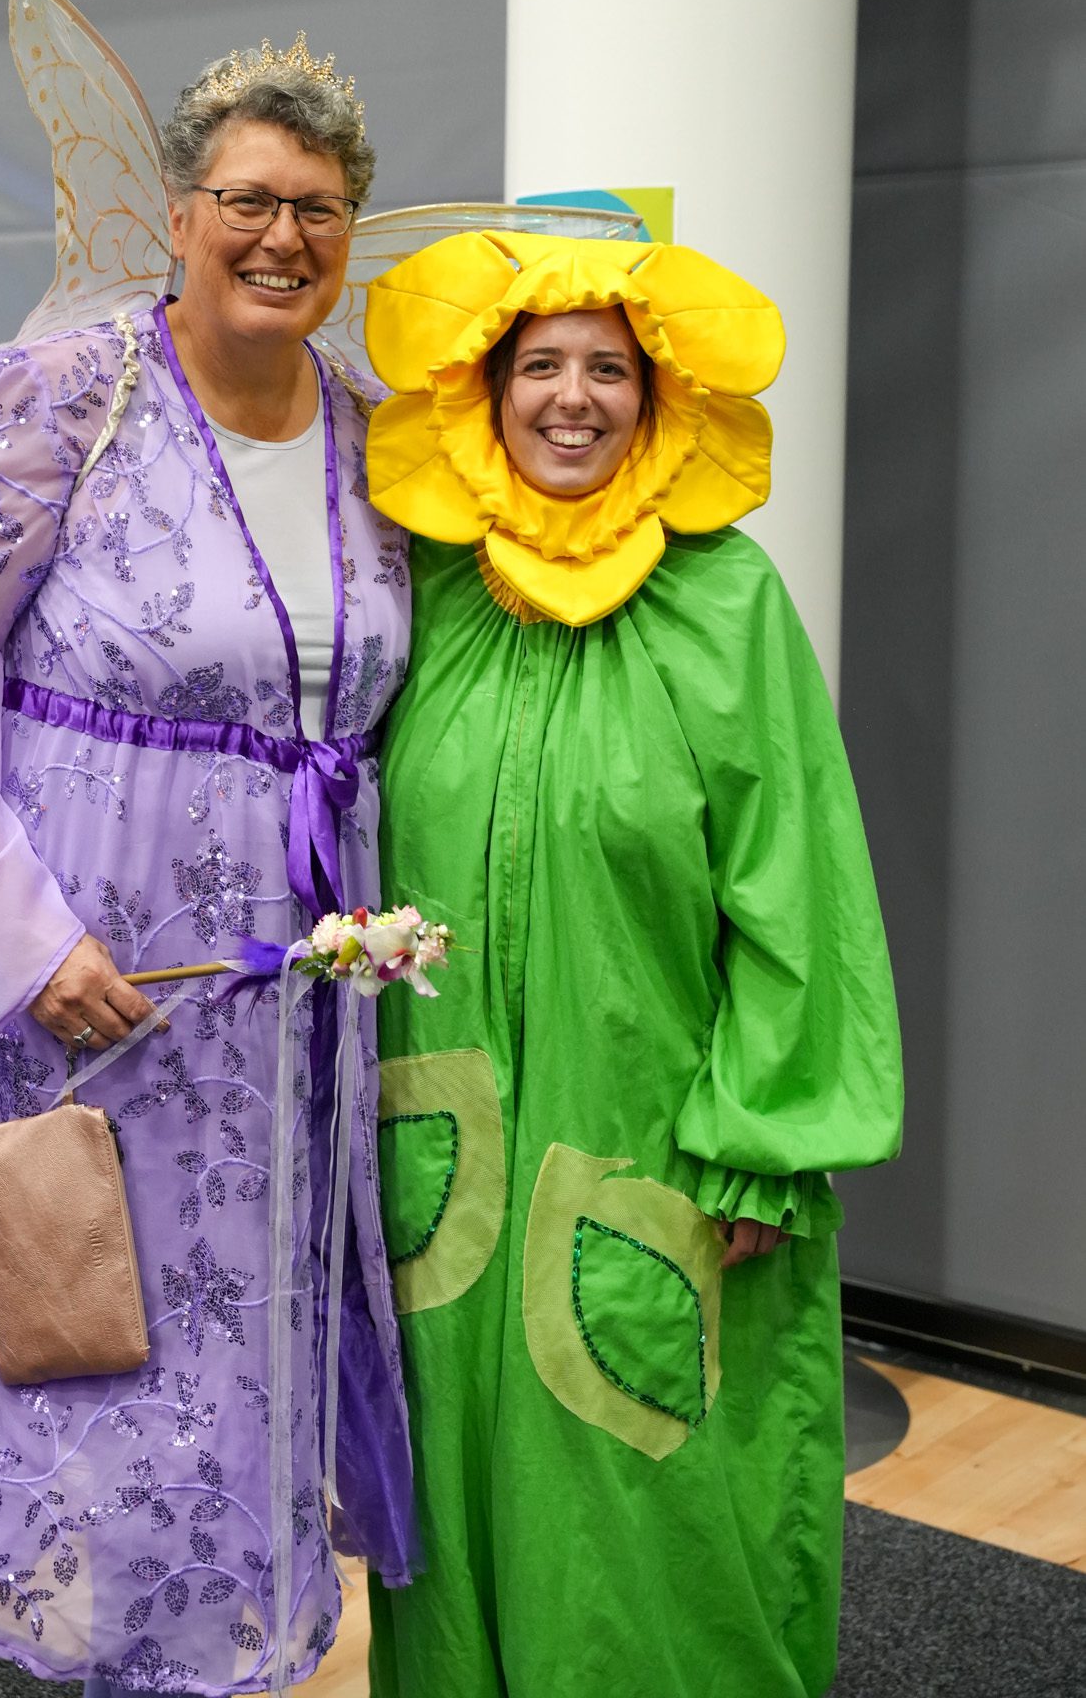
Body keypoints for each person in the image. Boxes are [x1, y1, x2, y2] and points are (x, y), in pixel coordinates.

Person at [0, 35, 416, 1692]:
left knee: (238, 1352)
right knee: (85, 1346)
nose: (284, 237)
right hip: (80, 980)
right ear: (184, 215)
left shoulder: (378, 438)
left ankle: (225, 1652)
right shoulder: (61, 391)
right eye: (250, 201)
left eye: (321, 209)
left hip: (278, 1004)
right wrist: (23, 932)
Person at [360, 228, 904, 1698]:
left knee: (656, 1500)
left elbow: (800, 887)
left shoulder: (728, 605)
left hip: (656, 1134)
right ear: (483, 392)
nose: (573, 398)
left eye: (609, 367)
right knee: (454, 1505)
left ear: (664, 400)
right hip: (444, 1139)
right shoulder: (425, 591)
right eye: (539, 365)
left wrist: (765, 1144)